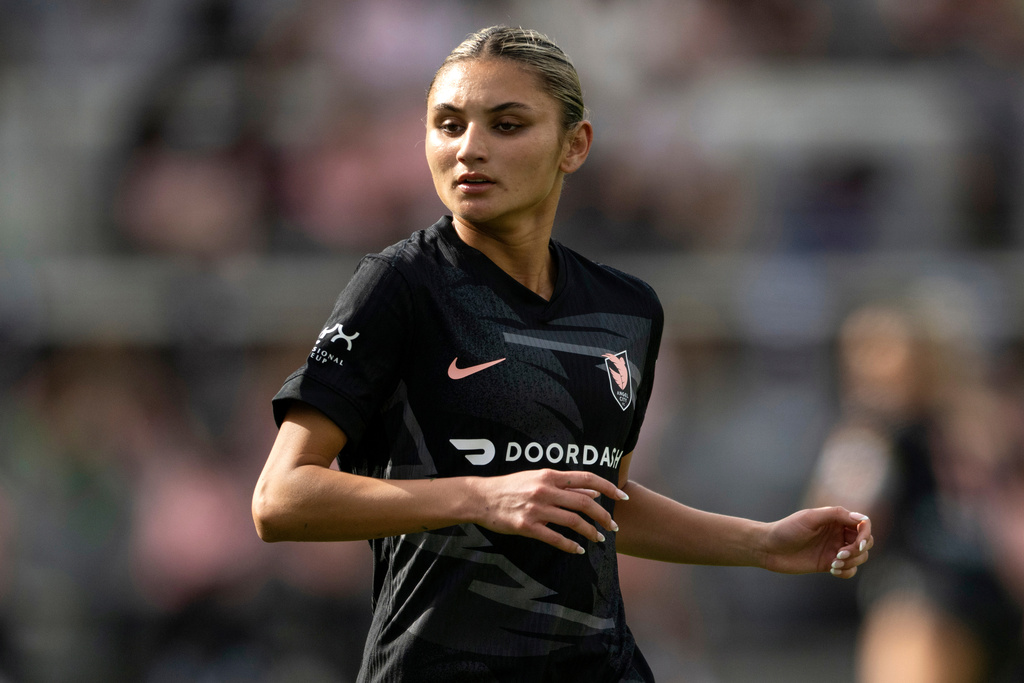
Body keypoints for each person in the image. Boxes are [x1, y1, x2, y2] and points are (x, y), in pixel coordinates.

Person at [252, 25, 874, 682]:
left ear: (574, 145)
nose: (470, 148)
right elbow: (281, 498)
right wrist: (478, 497)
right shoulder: (398, 287)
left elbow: (601, 502)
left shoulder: (627, 309)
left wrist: (761, 541)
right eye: (448, 124)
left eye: (507, 124)